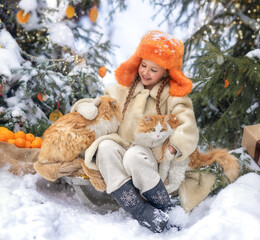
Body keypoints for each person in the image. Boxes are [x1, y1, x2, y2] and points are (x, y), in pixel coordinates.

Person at [72, 30, 199, 233]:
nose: (146, 73)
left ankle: (164, 206)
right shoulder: (123, 89)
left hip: (151, 157)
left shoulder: (171, 96)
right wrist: (87, 107)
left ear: (166, 72)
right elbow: (103, 105)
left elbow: (187, 125)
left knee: (134, 155)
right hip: (122, 147)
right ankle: (140, 210)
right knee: (104, 147)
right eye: (144, 65)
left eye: (154, 70)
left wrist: (175, 146)